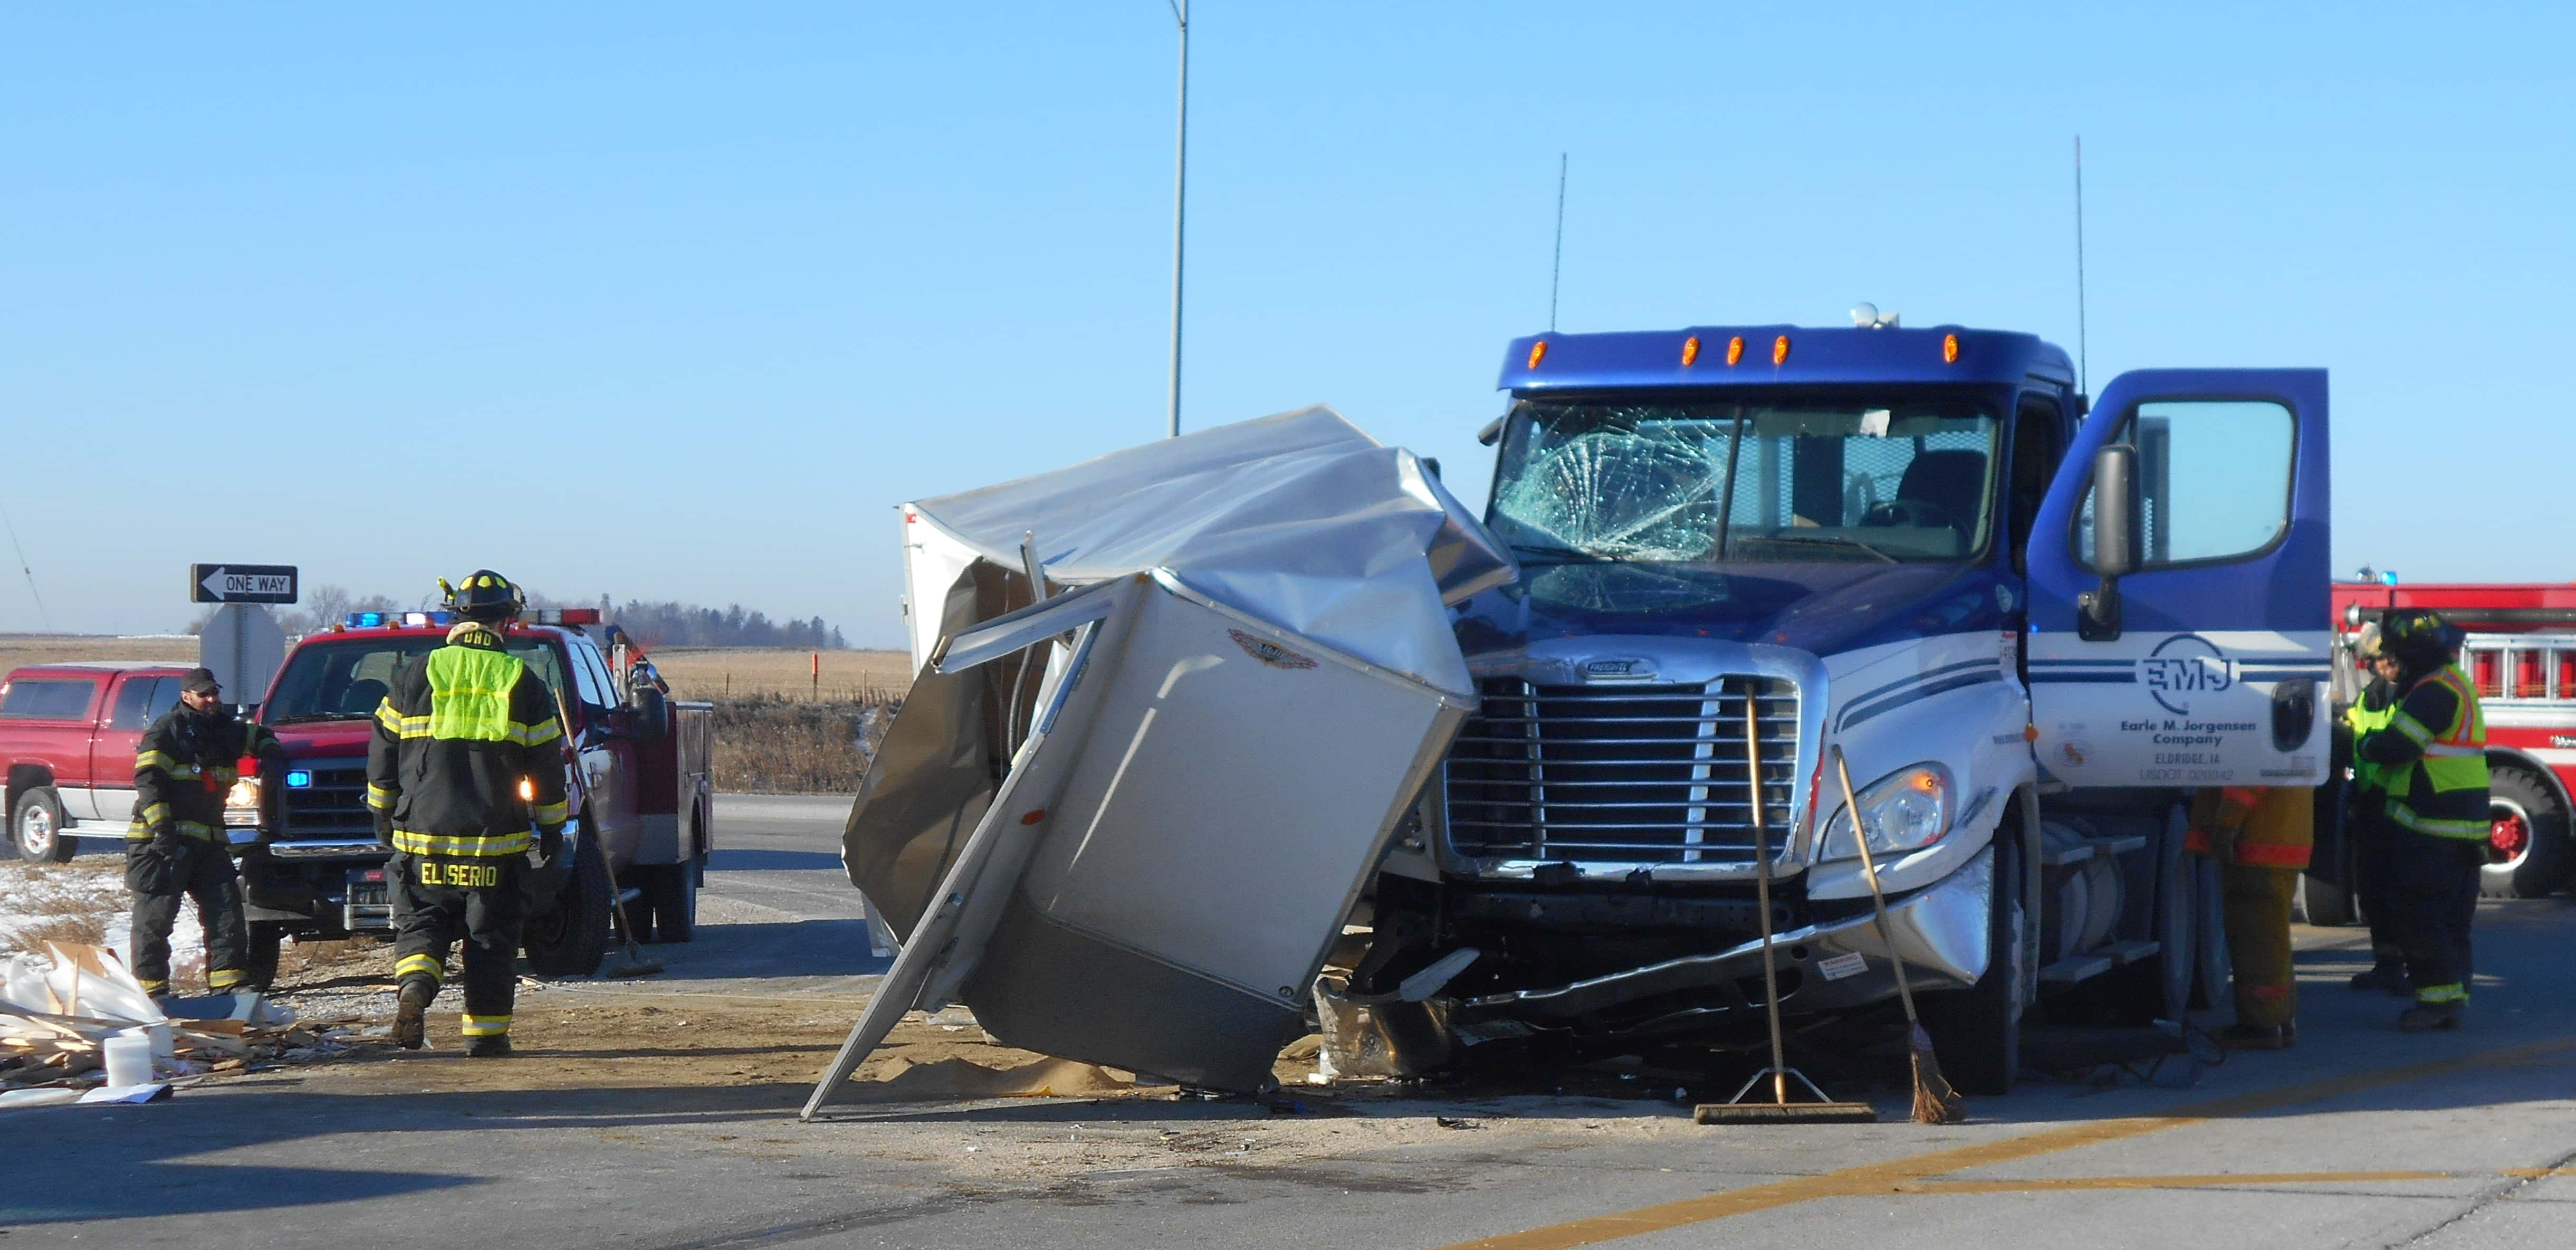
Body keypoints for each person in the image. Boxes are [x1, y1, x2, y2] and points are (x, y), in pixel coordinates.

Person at [368, 570, 569, 1056]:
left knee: (423, 924)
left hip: (422, 840)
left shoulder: (416, 674)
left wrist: (383, 815)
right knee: (491, 938)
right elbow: (545, 766)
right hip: (493, 845)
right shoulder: (523, 681)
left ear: (457, 616)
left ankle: (415, 989)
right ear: (507, 620)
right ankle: (486, 1036)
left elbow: (382, 754)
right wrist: (553, 826)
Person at [2354, 609, 2488, 1032]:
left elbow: (2399, 745)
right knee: (2448, 919)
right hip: (2456, 824)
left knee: (2419, 913)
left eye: (2395, 655)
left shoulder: (2433, 691)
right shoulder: (2450, 683)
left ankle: (2435, 1003)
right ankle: (2450, 998)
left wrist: (2364, 746)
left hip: (2433, 825)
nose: (2392, 663)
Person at [126, 667, 282, 998]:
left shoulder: (225, 730)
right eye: (204, 694)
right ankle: (152, 992)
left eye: (215, 693)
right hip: (162, 843)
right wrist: (162, 829)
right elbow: (148, 781)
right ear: (186, 697)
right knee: (156, 917)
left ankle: (229, 984)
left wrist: (269, 747)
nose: (212, 700)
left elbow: (257, 735)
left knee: (226, 912)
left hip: (208, 844)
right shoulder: (167, 731)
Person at [2185, 784, 2312, 1049]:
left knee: (2255, 942)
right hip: (2279, 838)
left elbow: (2249, 774)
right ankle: (2280, 1019)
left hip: (2257, 842)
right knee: (2272, 939)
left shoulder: (2256, 741)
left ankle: (2261, 1026)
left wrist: (2226, 821)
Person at [2342, 623, 2411, 994]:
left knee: (2402, 891)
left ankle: (2412, 969)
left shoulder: (2410, 697)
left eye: (2382, 660)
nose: (2378, 667)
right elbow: (2354, 735)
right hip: (2371, 804)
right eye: (2372, 661)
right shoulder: (2369, 697)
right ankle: (2386, 964)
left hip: (2403, 806)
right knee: (2372, 891)